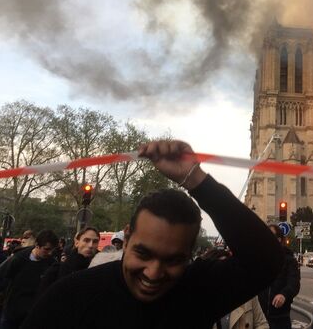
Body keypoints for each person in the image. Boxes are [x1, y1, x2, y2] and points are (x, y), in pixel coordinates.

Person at [21, 140, 284, 329]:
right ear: (127, 235)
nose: (153, 273)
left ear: (190, 255)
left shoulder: (197, 291)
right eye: (143, 253)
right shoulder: (69, 297)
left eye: (173, 260)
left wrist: (195, 179)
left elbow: (266, 260)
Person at [0, 230, 58, 329]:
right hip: (10, 314)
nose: (50, 253)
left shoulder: (52, 264)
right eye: (46, 249)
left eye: (52, 250)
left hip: (32, 316)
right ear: (37, 245)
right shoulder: (18, 259)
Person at [203, 248, 269, 329]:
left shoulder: (248, 296)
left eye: (227, 268)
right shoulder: (199, 302)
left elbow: (262, 324)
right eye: (219, 270)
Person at [258, 225, 300, 329]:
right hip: (260, 318)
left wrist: (283, 295)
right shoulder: (259, 259)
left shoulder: (289, 260)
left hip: (280, 318)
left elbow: (294, 283)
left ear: (278, 239)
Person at [38, 227, 100, 294]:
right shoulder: (57, 271)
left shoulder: (101, 269)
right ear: (77, 242)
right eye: (86, 240)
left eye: (95, 241)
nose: (91, 245)